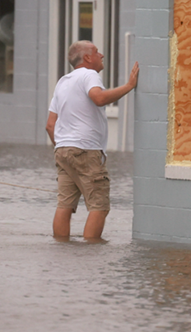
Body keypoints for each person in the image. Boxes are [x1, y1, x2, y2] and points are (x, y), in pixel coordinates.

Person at [45, 40, 138, 241]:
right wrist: (129, 86)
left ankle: (61, 248)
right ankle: (91, 253)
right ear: (87, 58)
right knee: (99, 206)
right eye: (97, 52)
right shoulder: (89, 74)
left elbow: (50, 125)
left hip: (62, 151)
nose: (101, 55)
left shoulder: (62, 82)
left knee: (65, 205)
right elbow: (99, 98)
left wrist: (64, 147)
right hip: (85, 150)